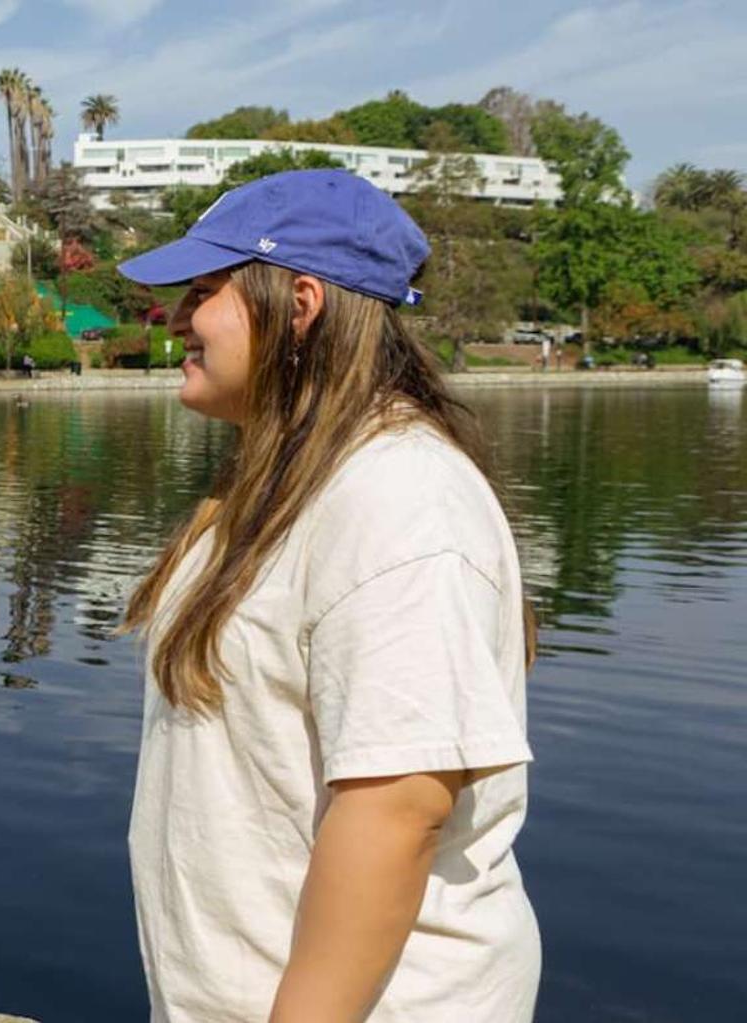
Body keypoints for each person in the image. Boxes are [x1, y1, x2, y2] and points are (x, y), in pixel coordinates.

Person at [116, 169, 540, 1021]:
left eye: (202, 291)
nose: (174, 319)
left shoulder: (400, 498)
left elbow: (397, 814)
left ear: (300, 304)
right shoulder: (285, 483)